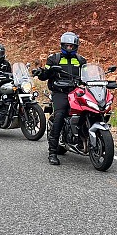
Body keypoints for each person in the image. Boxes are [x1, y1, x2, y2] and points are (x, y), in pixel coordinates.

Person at [37, 32, 86, 165]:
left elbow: (87, 76)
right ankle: (52, 152)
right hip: (60, 92)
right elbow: (44, 75)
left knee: (89, 110)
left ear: (76, 46)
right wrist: (43, 72)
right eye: (67, 45)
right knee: (59, 115)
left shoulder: (81, 60)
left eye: (72, 46)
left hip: (76, 91)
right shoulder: (54, 59)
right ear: (62, 45)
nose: (69, 48)